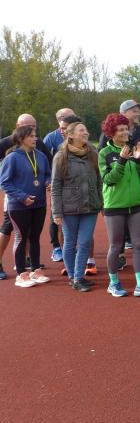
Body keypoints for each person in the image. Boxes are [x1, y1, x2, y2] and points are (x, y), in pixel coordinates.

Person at [98, 113, 140, 298]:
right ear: (111, 133)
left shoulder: (134, 149)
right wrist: (122, 161)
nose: (125, 132)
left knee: (138, 244)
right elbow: (109, 179)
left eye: (126, 129)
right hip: (115, 205)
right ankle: (113, 283)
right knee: (116, 246)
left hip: (136, 203)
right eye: (120, 130)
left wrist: (139, 160)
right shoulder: (105, 153)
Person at [51, 120, 102, 292]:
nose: (85, 133)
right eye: (81, 130)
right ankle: (74, 277)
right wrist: (56, 212)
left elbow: (99, 180)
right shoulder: (61, 156)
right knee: (70, 242)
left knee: (85, 241)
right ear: (71, 135)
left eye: (86, 130)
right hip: (69, 208)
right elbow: (56, 185)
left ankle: (78, 277)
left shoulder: (93, 153)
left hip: (90, 206)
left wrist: (101, 202)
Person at [0, 114, 53, 276]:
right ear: (20, 136)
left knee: (34, 236)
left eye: (35, 132)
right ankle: (21, 272)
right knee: (15, 233)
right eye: (31, 134)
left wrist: (48, 182)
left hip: (38, 203)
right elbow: (4, 182)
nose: (35, 137)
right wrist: (22, 196)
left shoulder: (40, 154)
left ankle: (34, 269)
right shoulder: (11, 155)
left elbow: (47, 173)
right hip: (18, 202)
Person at [42, 108, 75, 263]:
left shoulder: (78, 135)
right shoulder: (51, 138)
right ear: (59, 119)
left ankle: (74, 247)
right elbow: (42, 161)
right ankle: (56, 247)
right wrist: (49, 180)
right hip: (57, 183)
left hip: (74, 184)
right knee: (55, 216)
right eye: (68, 117)